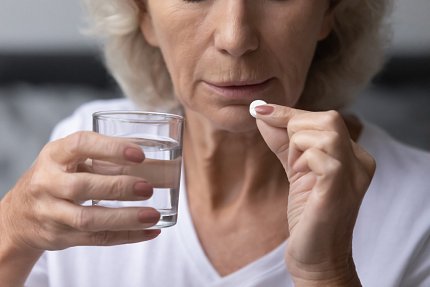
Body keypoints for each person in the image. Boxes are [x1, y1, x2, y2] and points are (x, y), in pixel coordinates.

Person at [1, 0, 430, 286]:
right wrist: (13, 231)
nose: (236, 38)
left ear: (327, 13)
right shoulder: (85, 149)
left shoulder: (420, 207)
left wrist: (327, 271)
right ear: (144, 15)